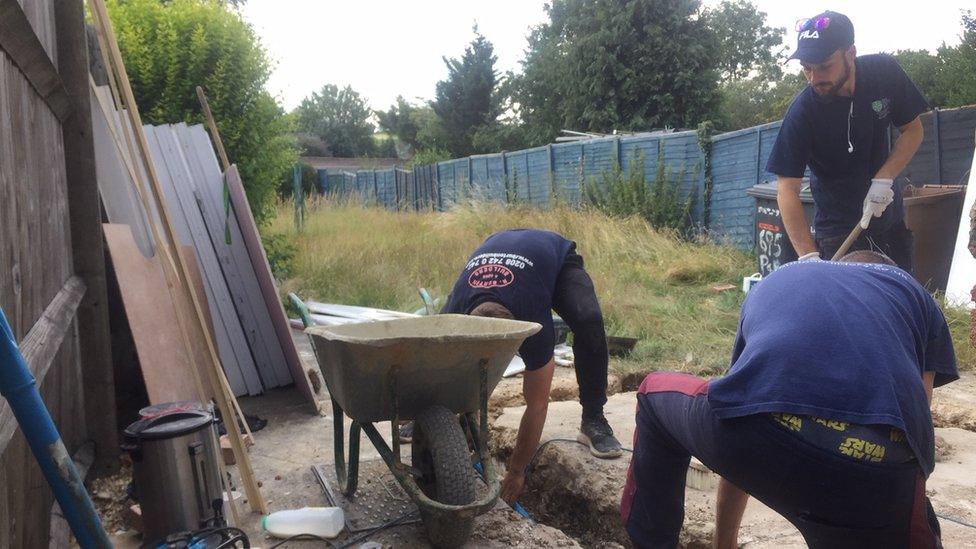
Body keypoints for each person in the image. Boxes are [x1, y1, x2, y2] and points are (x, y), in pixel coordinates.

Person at [620, 252, 958, 548]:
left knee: (653, 392)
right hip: (876, 474)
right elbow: (916, 422)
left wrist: (724, 542)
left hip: (761, 440)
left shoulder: (783, 276)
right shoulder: (915, 296)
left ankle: (651, 541)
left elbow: (743, 403)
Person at [441, 229, 622, 503]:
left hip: (555, 258)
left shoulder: (533, 319)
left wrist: (516, 472)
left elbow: (537, 404)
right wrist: (441, 414)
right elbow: (440, 366)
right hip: (500, 246)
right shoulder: (453, 314)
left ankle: (593, 418)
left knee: (588, 320)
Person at [767, 11, 929, 272]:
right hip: (839, 232)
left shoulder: (884, 74)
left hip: (889, 218)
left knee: (900, 303)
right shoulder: (803, 112)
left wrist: (884, 178)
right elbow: (787, 188)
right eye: (807, 68)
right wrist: (809, 258)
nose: (814, 78)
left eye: (824, 66)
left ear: (850, 53)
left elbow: (913, 131)